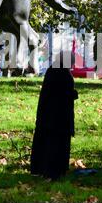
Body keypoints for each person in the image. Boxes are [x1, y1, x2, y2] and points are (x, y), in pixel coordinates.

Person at [30, 51, 78, 180]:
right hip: (58, 118)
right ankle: (55, 170)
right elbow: (63, 93)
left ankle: (41, 168)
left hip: (48, 115)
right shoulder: (62, 73)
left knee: (46, 141)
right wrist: (74, 94)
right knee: (56, 143)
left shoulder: (53, 70)